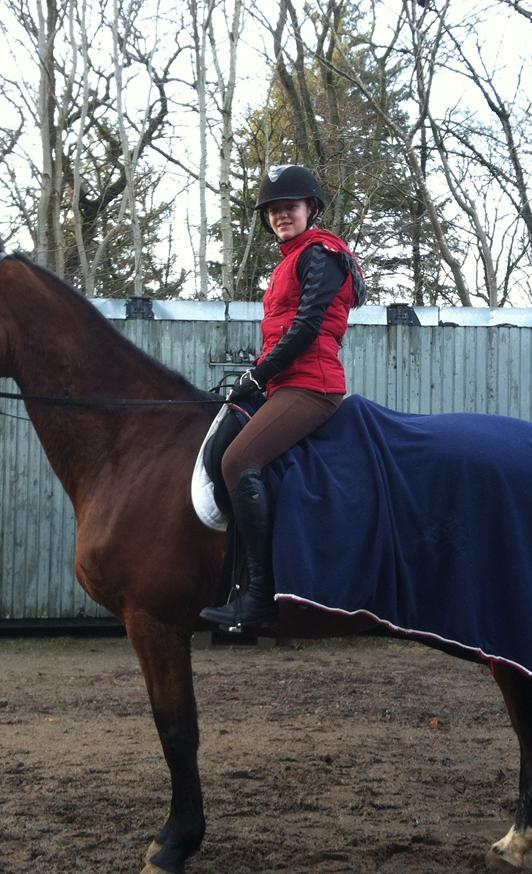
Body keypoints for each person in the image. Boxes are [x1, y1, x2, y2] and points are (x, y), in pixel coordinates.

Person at [200, 164, 366, 631]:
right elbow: (280, 335)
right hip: (285, 382)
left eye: (288, 207)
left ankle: (261, 600)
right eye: (273, 211)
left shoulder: (321, 253)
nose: (280, 216)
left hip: (312, 386)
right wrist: (259, 375)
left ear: (310, 209)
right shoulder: (291, 259)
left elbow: (307, 327)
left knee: (238, 462)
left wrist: (258, 374)